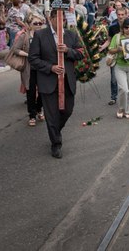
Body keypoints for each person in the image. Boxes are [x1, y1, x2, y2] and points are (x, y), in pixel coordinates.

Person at [29, 9, 83, 158]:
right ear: (51, 18)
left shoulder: (71, 35)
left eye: (64, 19)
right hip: (48, 82)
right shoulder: (40, 35)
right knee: (51, 115)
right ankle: (56, 144)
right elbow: (33, 59)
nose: (62, 22)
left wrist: (68, 51)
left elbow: (80, 53)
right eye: (59, 18)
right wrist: (50, 67)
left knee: (67, 111)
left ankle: (55, 131)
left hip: (67, 82)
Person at [12, 13, 46, 126]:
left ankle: (39, 109)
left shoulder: (45, 35)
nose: (38, 25)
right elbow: (15, 50)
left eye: (40, 23)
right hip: (29, 68)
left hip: (42, 67)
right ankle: (32, 115)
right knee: (30, 92)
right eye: (35, 23)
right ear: (29, 24)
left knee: (43, 90)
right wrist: (28, 55)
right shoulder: (24, 36)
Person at [108, 18, 129, 119]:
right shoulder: (117, 37)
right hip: (120, 66)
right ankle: (121, 108)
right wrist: (118, 49)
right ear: (122, 28)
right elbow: (110, 49)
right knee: (123, 89)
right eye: (126, 27)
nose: (128, 30)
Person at [100, 6, 127, 105]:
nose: (120, 17)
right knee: (114, 79)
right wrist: (102, 47)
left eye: (122, 15)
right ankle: (113, 97)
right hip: (115, 55)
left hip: (126, 56)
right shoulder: (112, 26)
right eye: (118, 15)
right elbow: (109, 40)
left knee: (126, 79)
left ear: (126, 14)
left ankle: (126, 97)